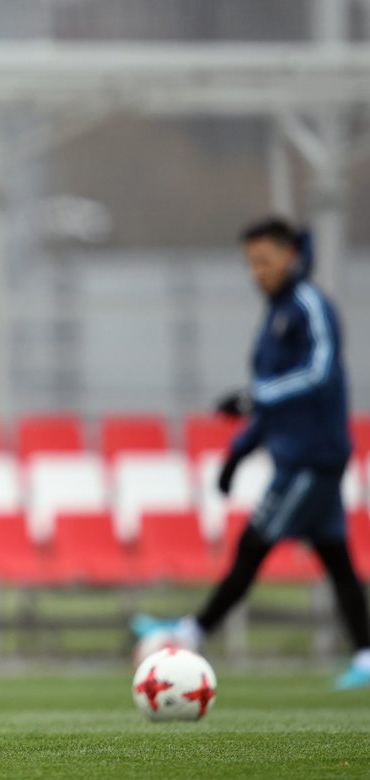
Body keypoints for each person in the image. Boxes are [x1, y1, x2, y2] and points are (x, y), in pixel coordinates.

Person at [132, 216, 370, 690]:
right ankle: (366, 655)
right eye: (250, 263)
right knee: (336, 558)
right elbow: (272, 401)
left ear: (289, 255)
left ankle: (191, 632)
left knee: (254, 544)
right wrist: (239, 453)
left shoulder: (308, 305)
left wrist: (251, 399)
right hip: (297, 457)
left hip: (313, 459)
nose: (256, 272)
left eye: (264, 260)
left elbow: (320, 374)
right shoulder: (278, 312)